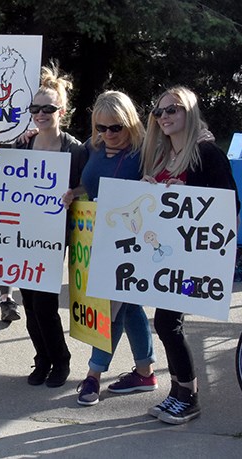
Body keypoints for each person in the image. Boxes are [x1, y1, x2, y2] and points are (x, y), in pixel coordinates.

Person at [140, 86, 239, 424]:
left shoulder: (207, 154)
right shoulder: (162, 155)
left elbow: (230, 205)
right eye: (159, 111)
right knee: (166, 323)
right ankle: (178, 393)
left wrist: (191, 194)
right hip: (165, 257)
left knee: (169, 322)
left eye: (173, 109)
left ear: (190, 113)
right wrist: (148, 188)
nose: (164, 116)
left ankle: (190, 397)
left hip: (192, 259)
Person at [63, 90, 157, 405]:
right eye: (100, 128)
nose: (107, 135)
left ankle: (93, 376)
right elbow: (87, 185)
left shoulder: (146, 152)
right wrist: (74, 193)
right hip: (94, 242)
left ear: (130, 122)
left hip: (131, 245)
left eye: (115, 128)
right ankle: (145, 372)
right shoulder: (92, 148)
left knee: (112, 309)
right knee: (130, 308)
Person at [13, 65, 85, 387]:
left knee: (44, 304)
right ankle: (41, 358)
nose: (41, 114)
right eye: (35, 109)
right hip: (23, 236)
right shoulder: (23, 145)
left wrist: (75, 193)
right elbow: (0, 184)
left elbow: (90, 186)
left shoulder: (75, 149)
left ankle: (61, 360)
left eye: (48, 109)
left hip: (55, 237)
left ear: (62, 111)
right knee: (28, 303)